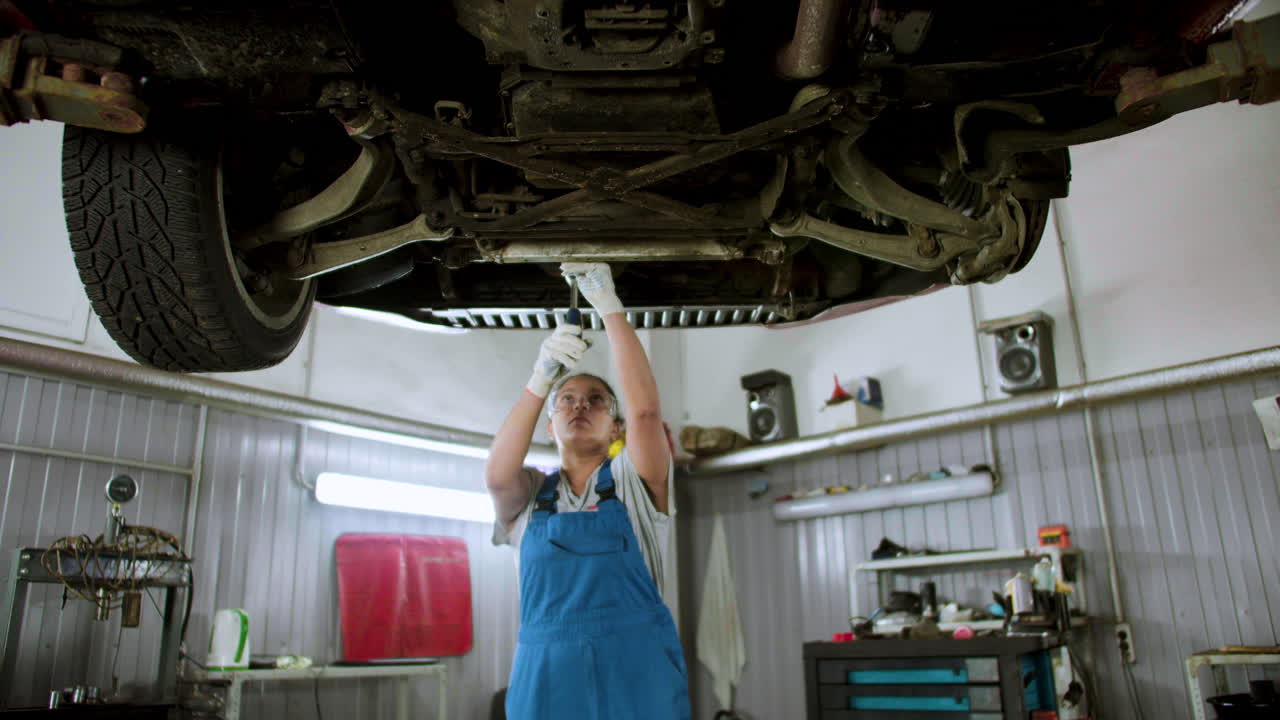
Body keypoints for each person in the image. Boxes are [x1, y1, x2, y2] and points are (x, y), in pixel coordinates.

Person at [485, 262, 690, 720]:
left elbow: (645, 414)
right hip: (547, 679)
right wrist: (540, 378)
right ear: (549, 425)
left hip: (637, 674)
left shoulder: (635, 482)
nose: (580, 406)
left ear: (615, 427)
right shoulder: (530, 495)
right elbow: (497, 476)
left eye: (597, 400)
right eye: (567, 400)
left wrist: (608, 305)